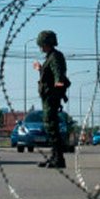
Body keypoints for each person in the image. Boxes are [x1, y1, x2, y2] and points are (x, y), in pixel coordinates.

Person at [32, 30, 70, 169]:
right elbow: (49, 74)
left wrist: (58, 82)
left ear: (47, 43)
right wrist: (40, 69)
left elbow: (58, 72)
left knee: (51, 127)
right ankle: (55, 157)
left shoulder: (55, 57)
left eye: (42, 44)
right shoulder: (50, 56)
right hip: (48, 96)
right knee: (50, 126)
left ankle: (59, 158)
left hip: (52, 96)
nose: (41, 47)